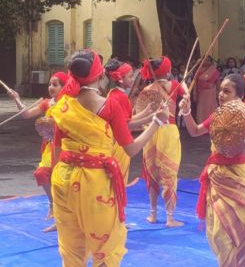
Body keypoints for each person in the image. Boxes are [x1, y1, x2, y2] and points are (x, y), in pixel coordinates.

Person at [49, 49, 168, 266]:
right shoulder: (109, 104)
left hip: (62, 179)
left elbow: (56, 151)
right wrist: (156, 123)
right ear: (98, 75)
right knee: (105, 244)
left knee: (71, 248)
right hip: (95, 182)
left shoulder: (63, 105)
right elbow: (130, 148)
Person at [180, 74, 245, 266]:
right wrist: (186, 112)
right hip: (217, 175)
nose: (221, 95)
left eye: (227, 91)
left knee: (239, 230)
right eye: (220, 90)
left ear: (239, 96)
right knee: (219, 231)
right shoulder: (217, 116)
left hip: (237, 177)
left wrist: (236, 137)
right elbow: (195, 131)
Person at [8, 71, 67, 230]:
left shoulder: (70, 104)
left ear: (65, 86)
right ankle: (53, 204)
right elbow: (26, 114)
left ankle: (63, 219)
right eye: (50, 84)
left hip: (67, 147)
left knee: (63, 183)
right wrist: (17, 99)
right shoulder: (47, 103)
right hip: (50, 148)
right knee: (41, 174)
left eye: (55, 84)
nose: (51, 87)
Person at [140, 56, 185, 227]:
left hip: (151, 130)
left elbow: (142, 113)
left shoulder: (147, 90)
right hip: (168, 131)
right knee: (169, 173)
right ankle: (170, 217)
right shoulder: (173, 86)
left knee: (152, 172)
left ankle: (152, 214)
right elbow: (186, 93)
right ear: (167, 71)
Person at [105, 59, 156, 184]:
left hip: (116, 139)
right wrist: (151, 119)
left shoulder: (114, 93)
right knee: (118, 179)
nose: (133, 79)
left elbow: (125, 119)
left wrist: (146, 113)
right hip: (119, 142)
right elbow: (125, 124)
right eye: (130, 76)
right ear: (121, 79)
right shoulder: (120, 97)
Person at [194, 56, 220, 122]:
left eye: (208, 60)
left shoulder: (214, 70)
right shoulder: (198, 70)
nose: (206, 61)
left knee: (211, 108)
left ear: (211, 62)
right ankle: (201, 124)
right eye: (204, 60)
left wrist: (218, 92)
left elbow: (218, 82)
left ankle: (212, 123)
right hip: (201, 93)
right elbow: (194, 82)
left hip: (211, 93)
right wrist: (194, 93)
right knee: (201, 108)